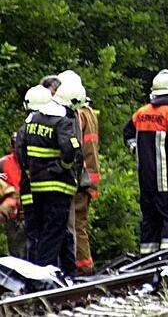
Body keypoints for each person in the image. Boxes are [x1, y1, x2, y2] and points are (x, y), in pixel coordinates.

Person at [15, 82, 82, 274]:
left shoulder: (29, 125)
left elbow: (21, 154)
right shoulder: (61, 122)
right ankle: (45, 275)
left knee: (41, 234)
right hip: (58, 187)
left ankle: (59, 274)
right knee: (53, 233)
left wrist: (31, 171)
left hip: (35, 187)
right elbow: (71, 150)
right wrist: (64, 167)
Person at [123, 69, 168, 254]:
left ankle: (147, 265)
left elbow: (127, 133)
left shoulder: (141, 113)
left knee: (150, 223)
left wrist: (136, 149)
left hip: (146, 183)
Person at [56, 70, 101, 275]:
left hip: (80, 178)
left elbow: (73, 147)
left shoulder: (78, 115)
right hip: (90, 176)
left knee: (76, 225)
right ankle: (84, 266)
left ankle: (82, 269)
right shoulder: (90, 113)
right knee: (80, 224)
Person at [0, 86, 48, 258]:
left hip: (30, 207)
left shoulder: (30, 160)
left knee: (32, 245)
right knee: (17, 250)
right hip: (13, 214)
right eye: (14, 143)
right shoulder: (4, 164)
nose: (16, 146)